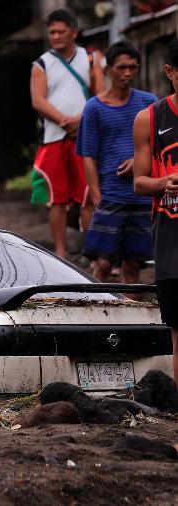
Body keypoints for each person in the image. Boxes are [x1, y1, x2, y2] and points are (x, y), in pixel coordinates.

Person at [77, 42, 156, 285]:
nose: (128, 73)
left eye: (133, 67)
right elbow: (87, 154)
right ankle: (95, 313)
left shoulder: (150, 102)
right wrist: (96, 196)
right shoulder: (94, 108)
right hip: (111, 194)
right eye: (122, 68)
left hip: (142, 196)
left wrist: (139, 160)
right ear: (108, 69)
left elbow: (162, 145)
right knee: (102, 263)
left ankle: (132, 317)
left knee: (134, 264)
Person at [30, 8, 104, 257]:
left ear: (74, 32)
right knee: (57, 197)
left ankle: (89, 251)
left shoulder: (92, 59)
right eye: (52, 32)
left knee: (87, 195)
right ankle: (60, 252)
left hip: (85, 137)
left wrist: (81, 121)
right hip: (53, 137)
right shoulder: (41, 63)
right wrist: (65, 121)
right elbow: (38, 101)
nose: (55, 36)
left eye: (61, 31)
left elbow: (101, 96)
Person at [133, 38, 178, 389]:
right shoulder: (149, 119)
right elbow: (140, 182)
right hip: (171, 240)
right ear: (169, 72)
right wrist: (164, 182)